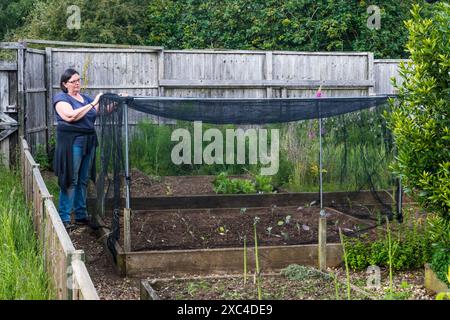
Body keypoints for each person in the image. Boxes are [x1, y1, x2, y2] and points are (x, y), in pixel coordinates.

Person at [53, 68, 103, 231]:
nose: (77, 84)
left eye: (78, 80)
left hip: (88, 141)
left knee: (83, 179)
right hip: (72, 143)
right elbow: (70, 116)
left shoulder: (85, 99)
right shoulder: (61, 98)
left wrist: (116, 101)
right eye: (73, 81)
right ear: (64, 84)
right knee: (70, 179)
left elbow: (99, 112)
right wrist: (93, 103)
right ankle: (65, 217)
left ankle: (81, 215)